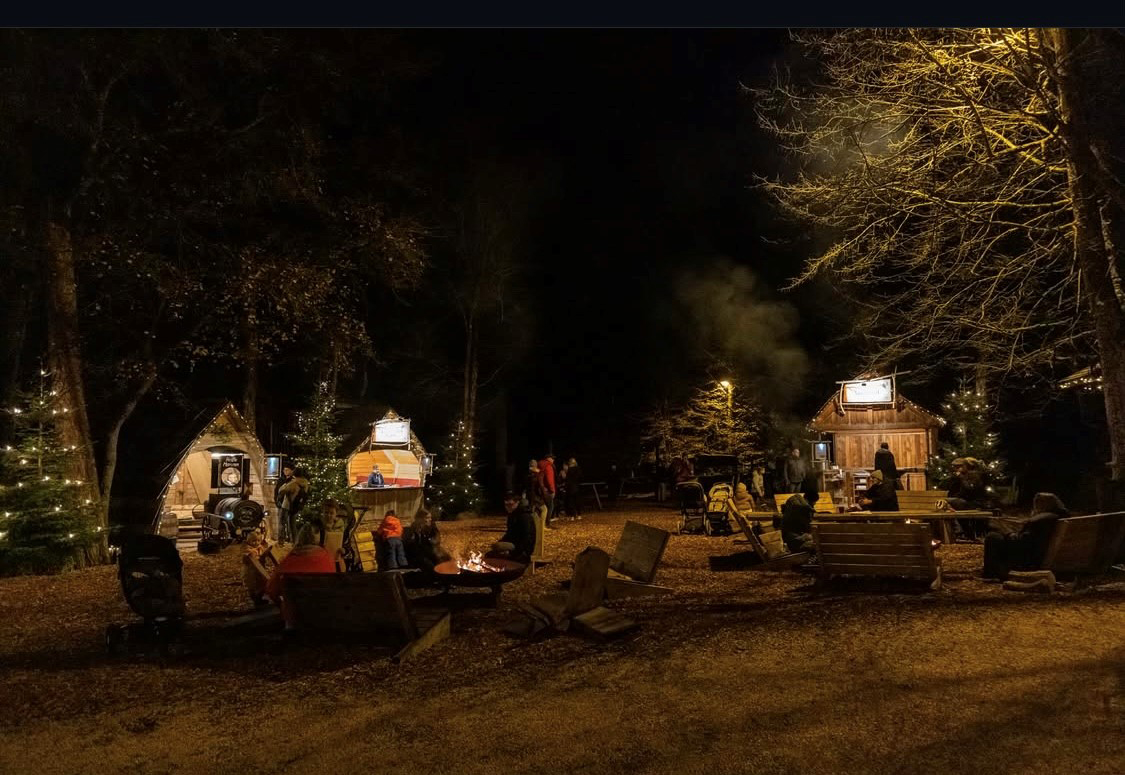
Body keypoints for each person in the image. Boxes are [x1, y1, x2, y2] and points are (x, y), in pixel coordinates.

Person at [983, 493, 1069, 581]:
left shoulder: (1039, 520)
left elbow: (1020, 544)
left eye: (1036, 503)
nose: (1034, 506)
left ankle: (992, 574)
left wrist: (1007, 532)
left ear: (1042, 505)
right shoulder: (1058, 517)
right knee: (998, 536)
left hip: (1028, 561)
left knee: (992, 537)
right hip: (1040, 554)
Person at [266, 528, 337, 630]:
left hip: (295, 619)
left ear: (298, 540)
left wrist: (283, 606)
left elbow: (271, 590)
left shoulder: (289, 561)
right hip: (323, 614)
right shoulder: (327, 557)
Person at [490, 490, 537, 563]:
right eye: (506, 505)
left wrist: (516, 552)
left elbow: (528, 537)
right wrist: (502, 542)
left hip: (522, 549)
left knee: (498, 549)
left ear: (517, 503)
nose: (508, 507)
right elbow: (509, 533)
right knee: (492, 552)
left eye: (510, 505)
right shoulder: (512, 515)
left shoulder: (524, 516)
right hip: (514, 544)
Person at [403, 508, 449, 573]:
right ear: (420, 518)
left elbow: (435, 541)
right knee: (432, 566)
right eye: (427, 518)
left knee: (446, 559)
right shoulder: (413, 529)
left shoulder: (431, 528)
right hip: (418, 556)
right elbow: (413, 547)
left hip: (429, 552)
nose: (430, 519)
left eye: (430, 517)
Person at [276, 467, 310, 544]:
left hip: (286, 505)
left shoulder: (293, 483)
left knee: (282, 523)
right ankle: (294, 541)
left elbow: (281, 490)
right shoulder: (305, 484)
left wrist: (285, 484)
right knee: (292, 525)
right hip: (295, 507)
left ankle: (281, 541)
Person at [241, 528, 270, 606]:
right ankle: (256, 600)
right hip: (251, 572)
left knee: (261, 584)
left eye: (258, 540)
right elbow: (247, 557)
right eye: (253, 541)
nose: (256, 542)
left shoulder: (260, 547)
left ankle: (260, 598)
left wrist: (266, 552)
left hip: (259, 570)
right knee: (253, 586)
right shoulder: (247, 549)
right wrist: (251, 554)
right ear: (248, 541)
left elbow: (263, 553)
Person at [525, 459, 549, 529]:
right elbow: (539, 486)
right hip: (535, 496)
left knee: (533, 511)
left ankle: (533, 526)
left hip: (530, 496)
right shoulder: (535, 475)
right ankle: (542, 526)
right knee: (544, 509)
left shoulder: (527, 474)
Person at [538, 453, 558, 525]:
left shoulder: (540, 465)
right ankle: (547, 523)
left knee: (543, 507)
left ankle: (541, 523)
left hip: (541, 489)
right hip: (548, 490)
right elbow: (550, 479)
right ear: (548, 458)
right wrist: (552, 490)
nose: (553, 460)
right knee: (550, 507)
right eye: (552, 458)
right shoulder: (548, 466)